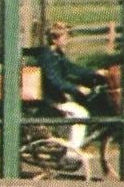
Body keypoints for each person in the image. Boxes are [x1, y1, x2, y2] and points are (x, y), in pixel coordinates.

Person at [38, 21, 106, 149]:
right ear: (54, 39)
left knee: (71, 118)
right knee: (81, 114)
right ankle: (72, 153)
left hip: (58, 96)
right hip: (50, 98)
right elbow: (54, 81)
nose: (67, 41)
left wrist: (95, 72)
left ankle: (62, 146)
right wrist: (76, 88)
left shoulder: (56, 54)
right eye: (64, 37)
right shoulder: (47, 56)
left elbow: (71, 68)